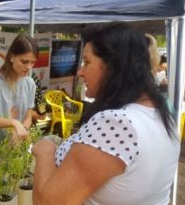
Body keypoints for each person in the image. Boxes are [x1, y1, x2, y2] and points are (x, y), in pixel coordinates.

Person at [32, 23, 180, 204]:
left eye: (87, 62)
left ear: (113, 66)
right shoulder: (163, 115)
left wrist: (45, 151)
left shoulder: (117, 124)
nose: (80, 72)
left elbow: (48, 202)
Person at [0, 34, 38, 140]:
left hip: (17, 150)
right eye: (24, 61)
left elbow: (28, 118)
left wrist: (22, 129)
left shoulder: (30, 84)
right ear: (11, 57)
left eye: (32, 62)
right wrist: (13, 123)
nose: (29, 67)